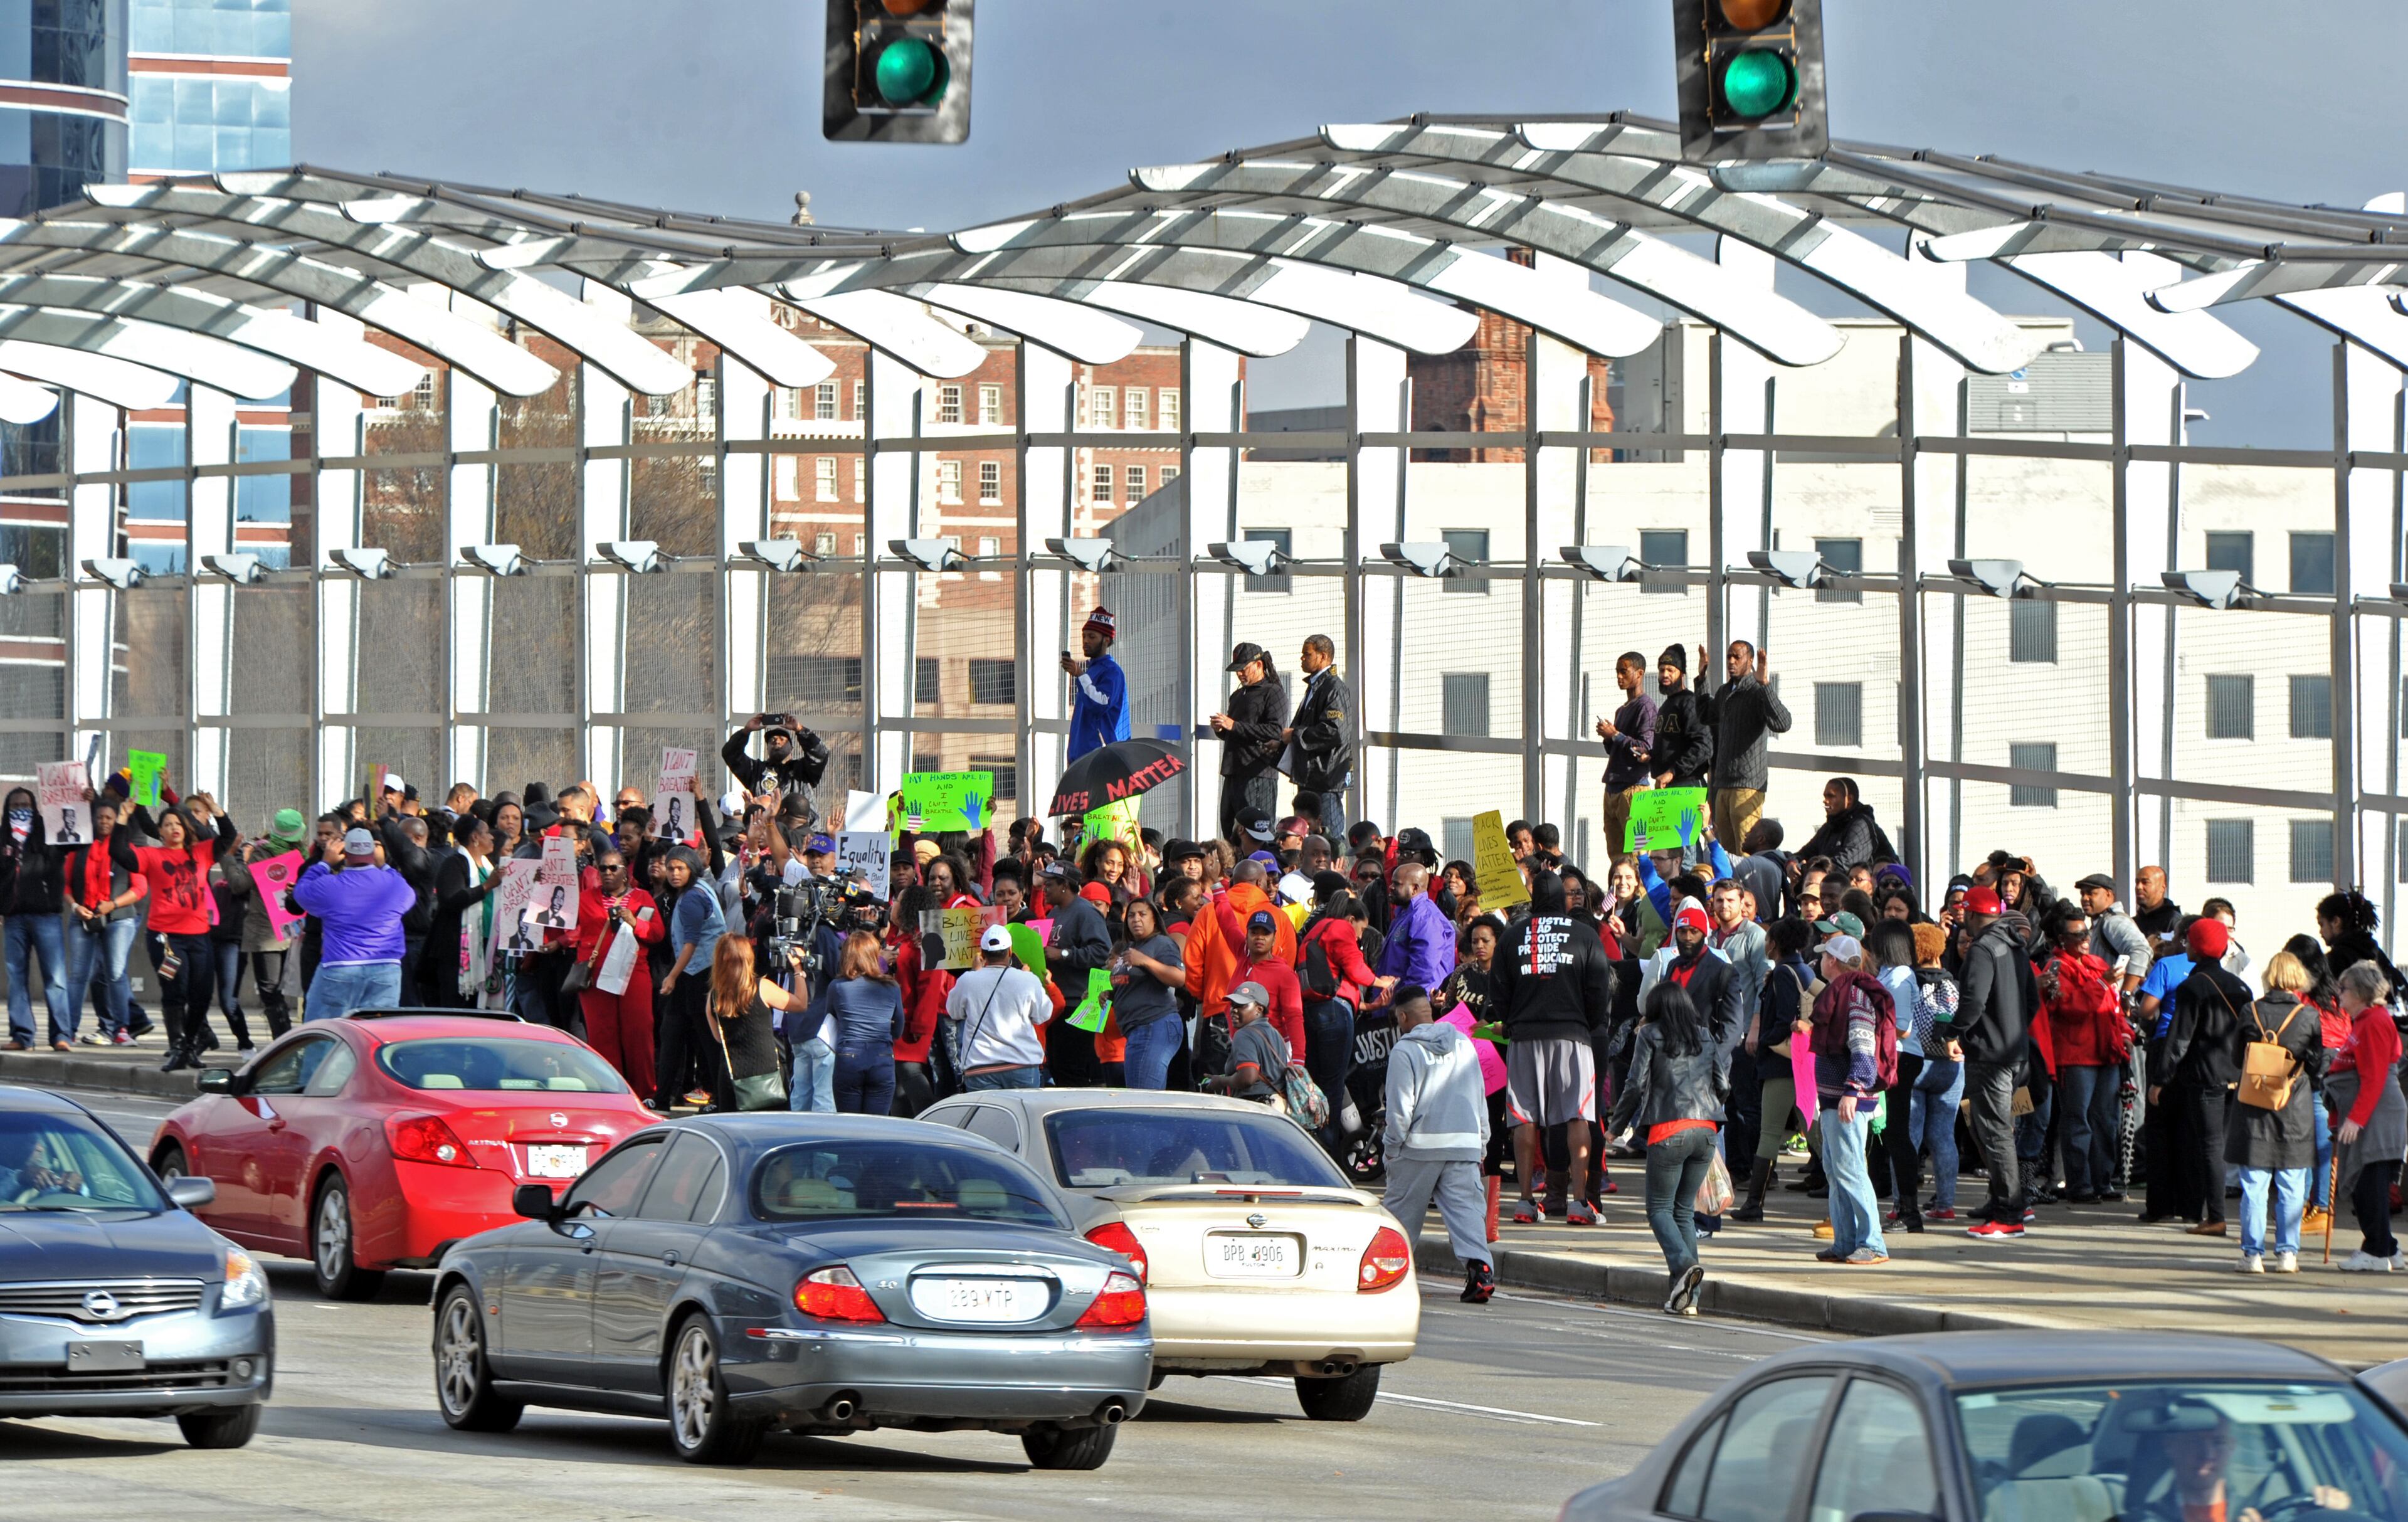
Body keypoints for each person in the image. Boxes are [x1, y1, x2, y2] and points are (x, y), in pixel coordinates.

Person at [1493, 871, 1617, 1226]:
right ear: (1563, 900)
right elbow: (1599, 989)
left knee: (1524, 1117)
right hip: (1572, 1036)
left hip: (1524, 1037)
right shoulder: (1584, 934)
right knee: (1578, 1114)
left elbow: (1498, 990)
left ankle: (1526, 1202)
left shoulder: (1511, 936)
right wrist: (1587, 1022)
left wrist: (1514, 1019)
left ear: (1533, 901)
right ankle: (1580, 1203)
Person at [1608, 976, 1729, 1313]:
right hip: (1706, 1131)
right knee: (1683, 1213)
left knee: (1659, 1210)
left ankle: (1684, 1264)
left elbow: (1635, 1085)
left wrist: (1616, 1127)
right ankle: (1688, 1299)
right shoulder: (1703, 1034)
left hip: (1668, 1129)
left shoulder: (1649, 1034)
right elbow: (1723, 1083)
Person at [1380, 982, 1496, 1305]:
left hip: (1418, 1148)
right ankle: (1481, 1271)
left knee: (1401, 1214)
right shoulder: (1464, 1044)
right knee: (1466, 1212)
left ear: (1403, 1017)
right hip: (1464, 1143)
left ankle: (1389, 1273)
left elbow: (1400, 1110)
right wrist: (1481, 1141)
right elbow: (1478, 1097)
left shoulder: (1404, 1051)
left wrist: (1392, 1149)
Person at [2226, 949, 2326, 1274]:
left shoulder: (2249, 1010)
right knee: (2292, 1185)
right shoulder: (2309, 1016)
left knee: (2253, 1185)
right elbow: (2316, 1063)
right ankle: (2287, 1254)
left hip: (2253, 1105)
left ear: (2271, 976)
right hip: (2293, 1107)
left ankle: (2252, 1256)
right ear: (2297, 978)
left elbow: (2235, 1057)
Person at [2152, 917, 2251, 1239]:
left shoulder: (2193, 987)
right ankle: (2212, 1213)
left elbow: (2179, 1039)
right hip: (2236, 1076)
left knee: (2208, 1147)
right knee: (2220, 1146)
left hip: (2205, 1077)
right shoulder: (2240, 987)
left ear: (2194, 945)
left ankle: (2216, 1217)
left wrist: (2161, 1079)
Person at [127, 793, 238, 1070]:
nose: (174, 828)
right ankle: (177, 1046)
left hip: (198, 935)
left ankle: (189, 1045)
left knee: (201, 994)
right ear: (160, 831)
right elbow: (120, 852)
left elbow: (228, 836)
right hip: (164, 937)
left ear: (187, 828)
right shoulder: (152, 855)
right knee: (174, 990)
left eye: (179, 823)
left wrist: (215, 810)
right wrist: (123, 816)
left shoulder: (201, 853)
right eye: (167, 824)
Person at [1955, 885, 2035, 1239]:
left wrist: (1955, 1032)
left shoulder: (1984, 948)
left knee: (1995, 1131)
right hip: (2015, 1051)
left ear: (1973, 914)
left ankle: (2009, 1212)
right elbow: (2032, 1001)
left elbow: (1973, 1001)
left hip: (1990, 1054)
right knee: (1986, 1127)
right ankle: (2004, 1200)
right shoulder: (2016, 945)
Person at [1809, 933, 1893, 1266]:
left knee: (1851, 1170)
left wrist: (1853, 1090)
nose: (1821, 961)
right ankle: (1846, 1241)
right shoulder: (1844, 992)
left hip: (1847, 1099)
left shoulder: (1854, 996)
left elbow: (1863, 1048)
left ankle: (1872, 1243)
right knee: (1836, 1169)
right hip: (1835, 1099)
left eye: (1825, 955)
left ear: (1833, 961)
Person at [2038, 902, 2128, 1205]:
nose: (2085, 939)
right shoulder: (2057, 968)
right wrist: (2103, 985)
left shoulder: (2098, 966)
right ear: (2061, 939)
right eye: (2078, 935)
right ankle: (2080, 1184)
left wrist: (2124, 1034)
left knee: (2106, 1120)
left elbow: (2111, 1009)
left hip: (2105, 1053)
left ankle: (2101, 1181)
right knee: (2079, 1120)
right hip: (2076, 1057)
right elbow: (2069, 1009)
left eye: (2086, 933)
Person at [293, 827, 418, 1024]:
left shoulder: (329, 885)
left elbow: (301, 892)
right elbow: (408, 893)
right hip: (386, 969)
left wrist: (324, 863)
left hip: (340, 967)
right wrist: (383, 864)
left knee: (324, 1036)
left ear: (345, 854)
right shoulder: (394, 884)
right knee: (377, 1035)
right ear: (372, 852)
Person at [1735, 916, 1815, 1222]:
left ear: (1776, 944)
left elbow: (1784, 1021)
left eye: (1769, 940)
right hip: (1800, 1063)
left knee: (1770, 1134)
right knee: (1814, 1132)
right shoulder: (1804, 970)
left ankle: (1754, 1203)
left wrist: (1764, 1040)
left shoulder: (1783, 973)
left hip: (1782, 1064)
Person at [2328, 960, 2405, 1272]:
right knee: (2367, 1183)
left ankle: (2375, 1250)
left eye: (2344, 989)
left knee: (2368, 1184)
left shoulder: (2374, 1022)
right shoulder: (2365, 1021)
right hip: (2372, 1109)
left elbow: (2373, 1076)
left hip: (2377, 1113)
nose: (2339, 994)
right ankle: (2388, 1248)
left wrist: (2356, 1118)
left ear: (2359, 992)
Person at [572, 850, 664, 1095]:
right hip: (597, 975)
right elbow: (568, 926)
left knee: (639, 1031)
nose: (608, 873)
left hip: (633, 972)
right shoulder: (585, 898)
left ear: (625, 872)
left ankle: (644, 1092)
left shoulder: (642, 898)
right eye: (603, 868)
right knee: (602, 1034)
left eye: (614, 868)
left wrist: (636, 923)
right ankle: (609, 1091)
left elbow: (657, 934)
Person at [60, 793, 141, 1047]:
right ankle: (68, 1031)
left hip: (119, 919)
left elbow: (140, 888)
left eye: (109, 817)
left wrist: (113, 905)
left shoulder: (128, 850)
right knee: (78, 975)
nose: (104, 821)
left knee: (116, 973)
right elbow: (65, 884)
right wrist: (75, 907)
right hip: (83, 917)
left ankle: (121, 1030)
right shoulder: (79, 848)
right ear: (93, 820)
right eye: (100, 817)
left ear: (117, 820)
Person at [1696, 640, 1791, 851]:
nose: (1731, 661)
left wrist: (1765, 684)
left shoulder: (1757, 690)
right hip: (1723, 785)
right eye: (1729, 656)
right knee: (1725, 852)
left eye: (1737, 657)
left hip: (1747, 786)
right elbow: (1705, 715)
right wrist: (1702, 679)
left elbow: (1783, 723)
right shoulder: (1725, 691)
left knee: (1746, 852)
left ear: (1750, 661)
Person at [653, 847, 725, 1113]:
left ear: (691, 869)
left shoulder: (693, 898)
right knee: (673, 1035)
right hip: (694, 975)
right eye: (670, 868)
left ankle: (720, 1098)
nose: (674, 873)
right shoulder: (700, 888)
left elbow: (690, 944)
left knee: (707, 1040)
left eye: (680, 868)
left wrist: (671, 976)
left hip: (698, 976)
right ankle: (663, 1099)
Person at [944, 924, 1054, 1091]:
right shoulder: (1028, 980)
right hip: (1022, 1065)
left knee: (988, 1117)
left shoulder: (968, 980)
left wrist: (975, 972)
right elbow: (1043, 1014)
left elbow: (954, 1012)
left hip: (980, 1067)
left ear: (982, 953)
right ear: (1010, 951)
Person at [806, 931, 904, 1116]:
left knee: (850, 1124)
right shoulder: (892, 987)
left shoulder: (837, 986)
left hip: (848, 1057)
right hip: (882, 1058)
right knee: (878, 1126)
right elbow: (898, 1030)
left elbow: (831, 1019)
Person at [704, 934, 803, 1112]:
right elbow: (801, 1004)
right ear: (748, 958)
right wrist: (798, 970)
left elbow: (719, 1038)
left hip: (733, 1078)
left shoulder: (714, 997)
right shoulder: (762, 987)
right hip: (768, 1078)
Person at [1, 786, 66, 1052]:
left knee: (56, 978)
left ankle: (61, 1034)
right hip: (14, 918)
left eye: (25, 804)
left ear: (35, 807)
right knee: (16, 977)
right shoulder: (3, 837)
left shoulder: (49, 833)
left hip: (46, 916)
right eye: (15, 805)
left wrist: (88, 802)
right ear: (7, 809)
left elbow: (80, 838)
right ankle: (22, 1035)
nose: (20, 809)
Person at [1040, 862, 1114, 1086]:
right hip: (1057, 1003)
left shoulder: (1086, 912)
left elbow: (1103, 953)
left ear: (1064, 885)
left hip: (1078, 1003)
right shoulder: (1054, 913)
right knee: (1059, 1067)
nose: (1044, 889)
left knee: (1073, 1071)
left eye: (1049, 885)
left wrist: (1063, 954)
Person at [1210, 641, 1288, 848]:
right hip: (1233, 771)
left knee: (1257, 831)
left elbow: (1275, 730)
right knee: (1230, 830)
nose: (1240, 675)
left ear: (1259, 665)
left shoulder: (1273, 692)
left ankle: (1263, 869)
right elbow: (1236, 732)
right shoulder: (1237, 695)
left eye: (1244, 669)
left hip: (1258, 772)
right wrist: (1222, 729)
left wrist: (1233, 725)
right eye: (1238, 670)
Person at [1283, 633, 1354, 842]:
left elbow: (1335, 731)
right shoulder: (1316, 686)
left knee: (1329, 835)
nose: (1302, 659)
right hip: (1311, 776)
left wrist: (1296, 735)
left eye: (1307, 654)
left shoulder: (1334, 688)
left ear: (1323, 656)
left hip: (1327, 779)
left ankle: (1334, 872)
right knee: (1307, 835)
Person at [1109, 897, 1185, 1091]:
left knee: (1144, 1099)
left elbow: (1179, 978)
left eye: (1143, 914)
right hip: (1137, 1029)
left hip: (1154, 1024)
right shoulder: (1130, 948)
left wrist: (1145, 961)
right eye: (1132, 915)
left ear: (1154, 920)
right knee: (1138, 1096)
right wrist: (1109, 994)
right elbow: (1130, 983)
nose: (1136, 919)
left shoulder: (1161, 944)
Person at [1594, 651, 1657, 862]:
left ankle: (1640, 895)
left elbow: (1645, 748)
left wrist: (1616, 735)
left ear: (1640, 673)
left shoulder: (1647, 707)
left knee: (1639, 856)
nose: (1619, 677)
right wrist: (1608, 737)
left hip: (1634, 790)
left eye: (1624, 672)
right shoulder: (1622, 710)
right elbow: (1616, 750)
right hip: (1613, 789)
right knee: (1617, 856)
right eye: (1617, 672)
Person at [721, 711, 830, 807]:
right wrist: (746, 731)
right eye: (772, 740)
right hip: (765, 828)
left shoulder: (803, 769)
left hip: (799, 829)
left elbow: (820, 754)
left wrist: (800, 730)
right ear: (767, 748)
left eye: (782, 739)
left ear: (791, 748)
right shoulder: (755, 771)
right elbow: (730, 754)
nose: (777, 742)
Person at [1203, 980, 1289, 1102]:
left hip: (1255, 1106)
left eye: (1241, 1006)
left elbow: (1248, 1078)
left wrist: (1221, 1081)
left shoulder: (1244, 1035)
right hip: (1277, 1108)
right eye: (1233, 1005)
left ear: (1259, 1009)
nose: (1234, 1010)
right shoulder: (1275, 1034)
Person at [1062, 606, 1129, 761]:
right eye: (1084, 636)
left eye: (1092, 637)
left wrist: (1080, 675)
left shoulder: (1112, 671)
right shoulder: (1091, 670)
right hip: (1081, 755)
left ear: (1106, 640)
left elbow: (1101, 704)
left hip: (1099, 755)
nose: (1086, 641)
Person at [1647, 644, 1712, 794]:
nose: (1665, 675)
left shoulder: (1689, 702)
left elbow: (1704, 745)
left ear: (1682, 674)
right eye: (1662, 670)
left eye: (1671, 670)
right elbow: (1671, 746)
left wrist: (1673, 772)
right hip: (1667, 786)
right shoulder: (1665, 706)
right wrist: (1650, 755)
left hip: (1688, 786)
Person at [1795, 777, 1898, 870]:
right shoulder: (1828, 828)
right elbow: (1804, 853)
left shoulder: (1862, 825)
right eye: (1825, 796)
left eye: (1831, 796)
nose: (1825, 801)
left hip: (1880, 888)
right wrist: (1793, 863)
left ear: (1849, 800)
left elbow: (1847, 864)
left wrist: (1808, 868)